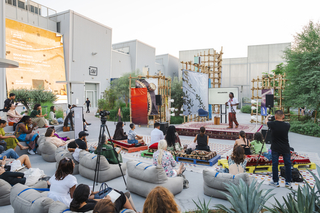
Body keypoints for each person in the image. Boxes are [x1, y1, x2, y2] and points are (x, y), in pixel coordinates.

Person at [266, 110, 292, 188]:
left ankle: (276, 181)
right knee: (287, 164)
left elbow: (266, 122)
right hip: (285, 147)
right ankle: (288, 182)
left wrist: (268, 117)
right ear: (283, 116)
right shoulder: (287, 125)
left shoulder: (272, 124)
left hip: (275, 147)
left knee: (275, 164)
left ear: (275, 117)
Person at [71, 184, 135, 213]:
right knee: (121, 195)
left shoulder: (76, 203)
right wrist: (108, 200)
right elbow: (103, 206)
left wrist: (104, 199)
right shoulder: (91, 206)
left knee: (116, 192)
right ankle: (133, 211)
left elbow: (93, 200)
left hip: (105, 204)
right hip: (109, 209)